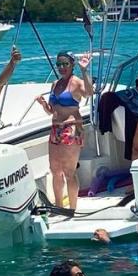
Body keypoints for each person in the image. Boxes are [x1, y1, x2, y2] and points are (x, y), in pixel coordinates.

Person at [34, 51, 94, 214]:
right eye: (59, 64)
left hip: (71, 128)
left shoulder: (77, 82)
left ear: (72, 65)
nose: (62, 67)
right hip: (55, 128)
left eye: (65, 64)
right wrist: (43, 104)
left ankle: (72, 209)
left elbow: (90, 93)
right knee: (55, 170)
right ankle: (59, 207)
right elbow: (52, 111)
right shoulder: (55, 84)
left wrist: (84, 70)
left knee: (69, 171)